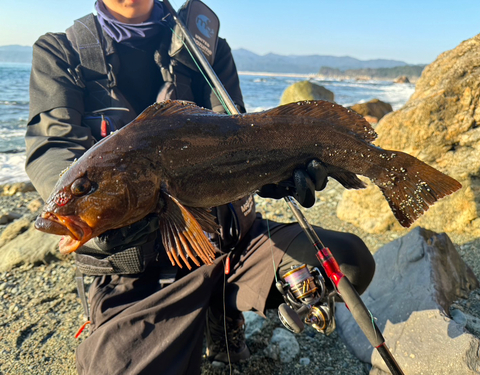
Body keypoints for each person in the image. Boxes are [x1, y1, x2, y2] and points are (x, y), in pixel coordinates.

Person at [25, 1, 376, 374]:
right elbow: (52, 148)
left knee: (349, 263)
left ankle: (222, 311)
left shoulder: (204, 47)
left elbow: (241, 135)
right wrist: (96, 220)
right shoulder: (59, 52)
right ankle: (176, 316)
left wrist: (279, 172)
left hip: (228, 247)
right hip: (135, 271)